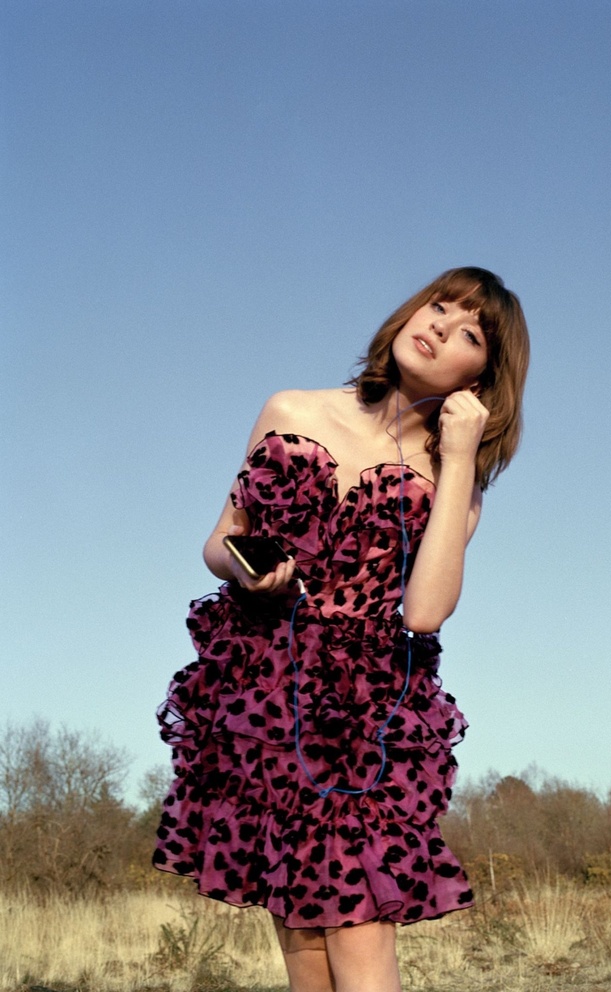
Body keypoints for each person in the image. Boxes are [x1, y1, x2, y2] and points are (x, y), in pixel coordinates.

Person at [153, 266, 529, 992]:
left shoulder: (456, 479)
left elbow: (424, 612)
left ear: (481, 379)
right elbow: (218, 541)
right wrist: (248, 571)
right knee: (305, 948)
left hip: (363, 715)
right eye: (439, 306)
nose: (439, 326)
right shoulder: (290, 408)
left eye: (469, 334)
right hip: (262, 698)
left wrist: (457, 457)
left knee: (359, 942)